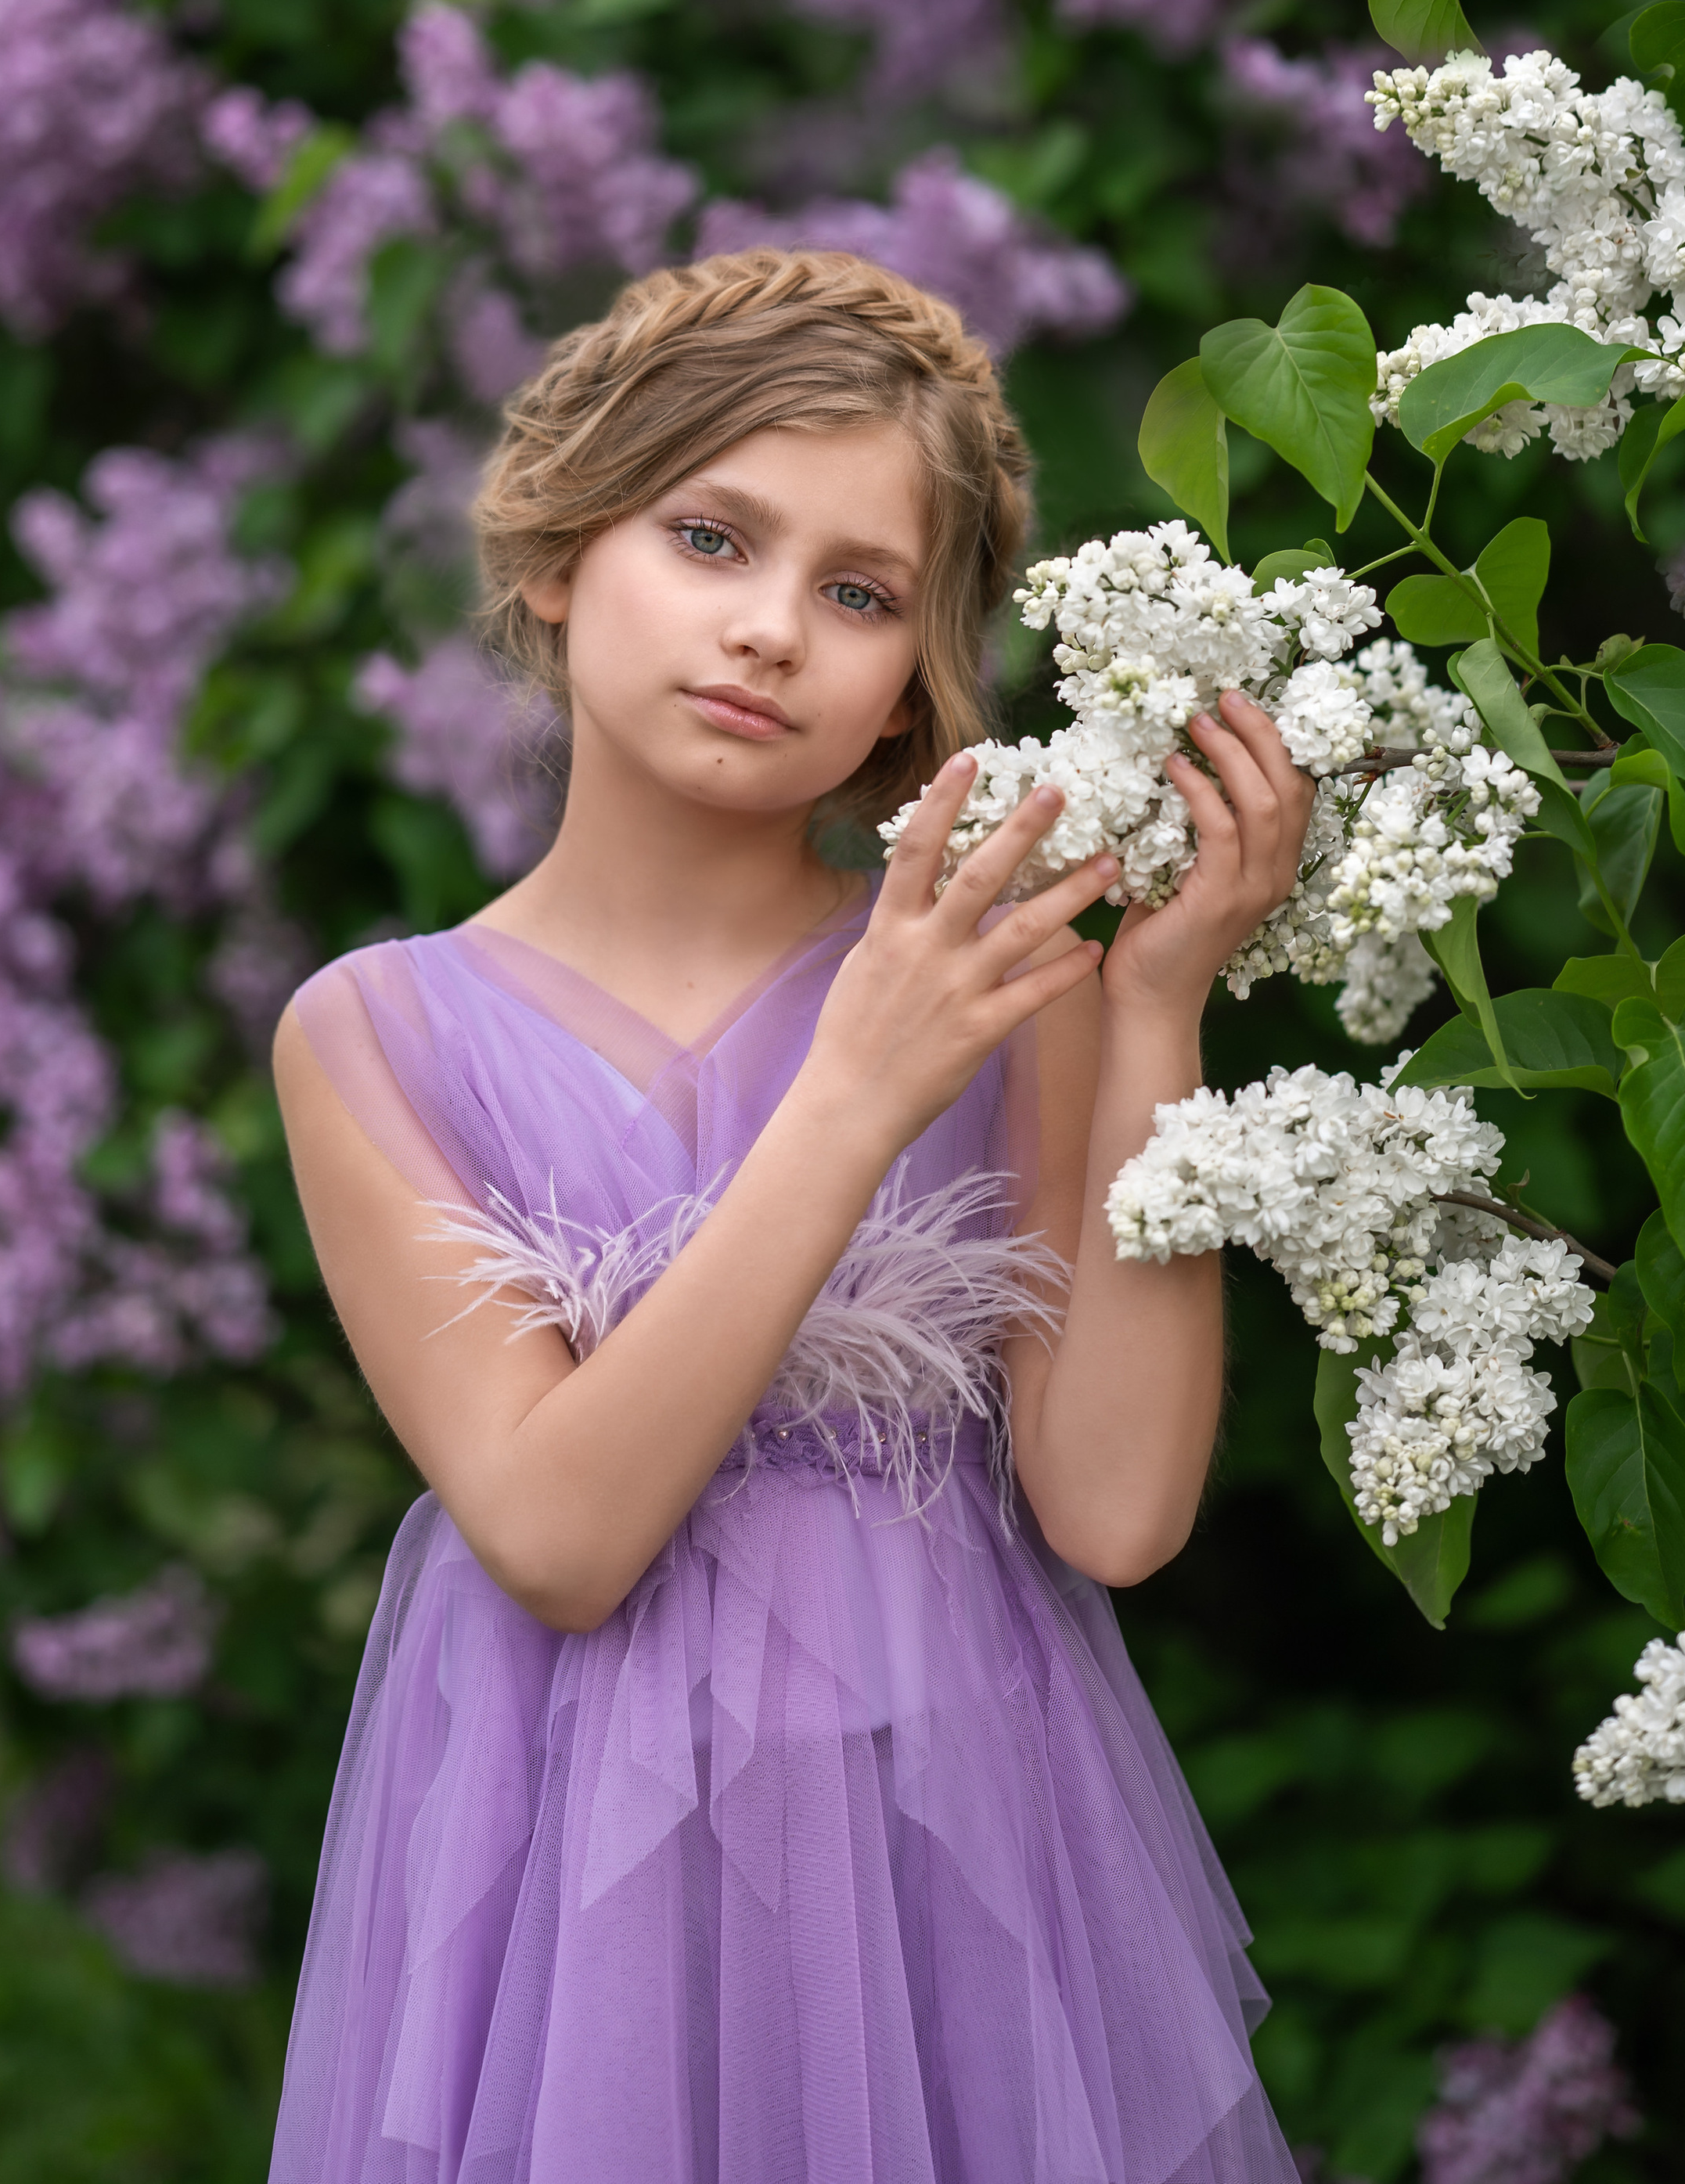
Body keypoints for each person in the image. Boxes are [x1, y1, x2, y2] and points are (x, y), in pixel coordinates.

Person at [267, 247, 1313, 2184]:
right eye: (709, 538)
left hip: (954, 1865)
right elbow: (560, 1537)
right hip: (565, 1892)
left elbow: (1112, 1511)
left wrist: (1155, 1006)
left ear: (912, 681)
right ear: (560, 550)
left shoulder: (1013, 991)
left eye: (858, 594)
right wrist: (850, 1096)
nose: (767, 631)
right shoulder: (376, 1035)